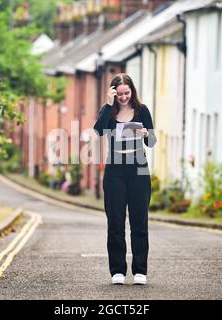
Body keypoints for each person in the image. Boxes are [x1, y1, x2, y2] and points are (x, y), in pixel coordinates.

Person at [93, 73, 157, 285]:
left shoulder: (142, 110)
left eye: (126, 93)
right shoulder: (108, 112)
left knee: (139, 222)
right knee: (116, 223)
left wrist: (147, 134)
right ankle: (117, 271)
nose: (123, 97)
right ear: (113, 93)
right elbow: (100, 131)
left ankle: (140, 271)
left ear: (132, 91)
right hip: (115, 172)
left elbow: (153, 142)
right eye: (119, 94)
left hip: (139, 171)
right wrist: (107, 103)